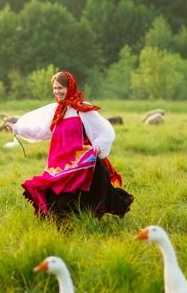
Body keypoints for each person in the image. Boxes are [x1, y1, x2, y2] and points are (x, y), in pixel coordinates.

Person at [8, 71, 133, 219]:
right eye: (54, 88)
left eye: (60, 88)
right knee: (55, 200)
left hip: (79, 162)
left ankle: (83, 224)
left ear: (70, 87)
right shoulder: (57, 111)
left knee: (83, 198)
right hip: (60, 162)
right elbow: (41, 131)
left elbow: (105, 130)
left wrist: (98, 145)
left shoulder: (82, 109)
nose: (57, 91)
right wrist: (17, 128)